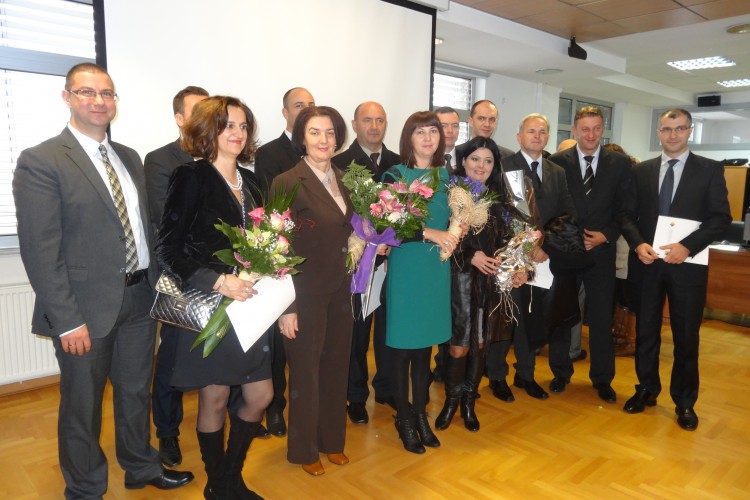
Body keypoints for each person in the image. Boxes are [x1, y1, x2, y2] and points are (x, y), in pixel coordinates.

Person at [13, 62, 193, 498]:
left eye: (107, 94)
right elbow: (41, 251)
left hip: (139, 299)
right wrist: (66, 318)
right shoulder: (42, 160)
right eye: (87, 92)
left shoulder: (128, 157)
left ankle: (140, 466)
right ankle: (86, 486)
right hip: (83, 309)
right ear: (67, 97)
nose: (98, 101)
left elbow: (144, 229)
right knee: (83, 405)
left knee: (134, 393)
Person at [157, 96, 272, 498]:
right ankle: (220, 483)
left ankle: (231, 474)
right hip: (212, 302)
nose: (237, 133)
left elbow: (268, 241)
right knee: (216, 398)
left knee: (261, 394)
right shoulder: (191, 176)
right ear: (209, 130)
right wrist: (218, 281)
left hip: (254, 304)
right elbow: (169, 248)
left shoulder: (254, 181)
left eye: (243, 126)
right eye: (227, 125)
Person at [620, 108, 731, 431]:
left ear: (690, 131)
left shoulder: (709, 170)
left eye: (679, 128)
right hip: (648, 263)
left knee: (685, 336)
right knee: (646, 333)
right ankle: (646, 389)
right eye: (667, 129)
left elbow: (720, 219)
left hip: (688, 266)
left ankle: (684, 402)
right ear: (658, 132)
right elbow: (626, 214)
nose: (673, 135)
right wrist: (638, 243)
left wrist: (688, 246)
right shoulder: (641, 171)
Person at [273, 106, 354, 476]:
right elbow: (275, 246)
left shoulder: (346, 178)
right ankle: (304, 448)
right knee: (305, 373)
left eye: (331, 133)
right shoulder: (287, 181)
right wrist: (285, 307)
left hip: (341, 289)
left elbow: (349, 229)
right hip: (303, 293)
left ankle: (332, 441)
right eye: (315, 132)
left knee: (337, 366)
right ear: (302, 137)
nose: (324, 140)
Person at [382, 111, 460, 454]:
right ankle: (405, 419)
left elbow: (460, 217)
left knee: (424, 351)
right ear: (408, 138)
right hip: (407, 270)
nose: (428, 138)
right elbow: (390, 227)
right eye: (420, 132)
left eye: (433, 131)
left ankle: (421, 415)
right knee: (402, 351)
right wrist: (434, 233)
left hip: (435, 272)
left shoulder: (448, 177)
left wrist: (459, 228)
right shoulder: (395, 175)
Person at [486, 113, 577, 403]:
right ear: (519, 136)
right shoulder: (503, 168)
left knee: (530, 318)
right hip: (509, 256)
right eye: (531, 131)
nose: (537, 136)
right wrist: (523, 249)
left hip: (542, 259)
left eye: (542, 132)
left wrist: (545, 245)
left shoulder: (556, 171)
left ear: (547, 138)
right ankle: (497, 376)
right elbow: (498, 213)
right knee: (505, 318)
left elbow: (566, 213)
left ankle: (525, 374)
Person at [435, 136, 524, 432]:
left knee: (481, 343)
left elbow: (511, 242)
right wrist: (471, 255)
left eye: (488, 161)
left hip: (489, 285)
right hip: (458, 279)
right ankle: (451, 401)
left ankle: (469, 403)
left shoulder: (500, 202)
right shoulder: (451, 195)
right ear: (463, 161)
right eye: (475, 159)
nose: (481, 166)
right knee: (459, 346)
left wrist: (518, 263)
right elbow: (443, 237)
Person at [548, 106, 635, 403]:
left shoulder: (620, 164)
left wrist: (605, 235)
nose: (591, 134)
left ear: (603, 129)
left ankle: (602, 379)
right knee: (563, 315)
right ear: (574, 130)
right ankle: (560, 373)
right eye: (585, 129)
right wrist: (569, 238)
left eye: (597, 128)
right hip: (567, 253)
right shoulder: (557, 162)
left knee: (600, 318)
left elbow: (625, 209)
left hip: (602, 252)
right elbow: (552, 208)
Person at [144, 85, 210, 467]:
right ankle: (167, 434)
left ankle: (212, 428)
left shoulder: (223, 159)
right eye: (196, 112)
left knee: (215, 358)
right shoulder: (160, 160)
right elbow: (166, 218)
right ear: (179, 119)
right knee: (170, 361)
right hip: (179, 278)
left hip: (221, 279)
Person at [332, 101, 400, 424]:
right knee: (357, 333)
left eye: (380, 120)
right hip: (358, 263)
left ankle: (386, 386)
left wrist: (389, 240)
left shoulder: (399, 164)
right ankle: (355, 396)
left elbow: (407, 212)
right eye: (367, 120)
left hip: (394, 262)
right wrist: (367, 243)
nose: (374, 126)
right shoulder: (339, 164)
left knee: (389, 329)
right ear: (355, 124)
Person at [253, 86, 315, 438]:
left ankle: (308, 406)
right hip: (283, 258)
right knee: (279, 344)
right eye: (298, 105)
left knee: (308, 346)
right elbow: (273, 210)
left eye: (310, 105)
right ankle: (275, 409)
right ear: (285, 113)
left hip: (317, 262)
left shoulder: (325, 153)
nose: (305, 110)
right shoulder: (269, 154)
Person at [435, 106, 461, 174]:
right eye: (443, 126)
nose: (450, 131)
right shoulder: (425, 160)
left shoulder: (468, 158)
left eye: (455, 126)